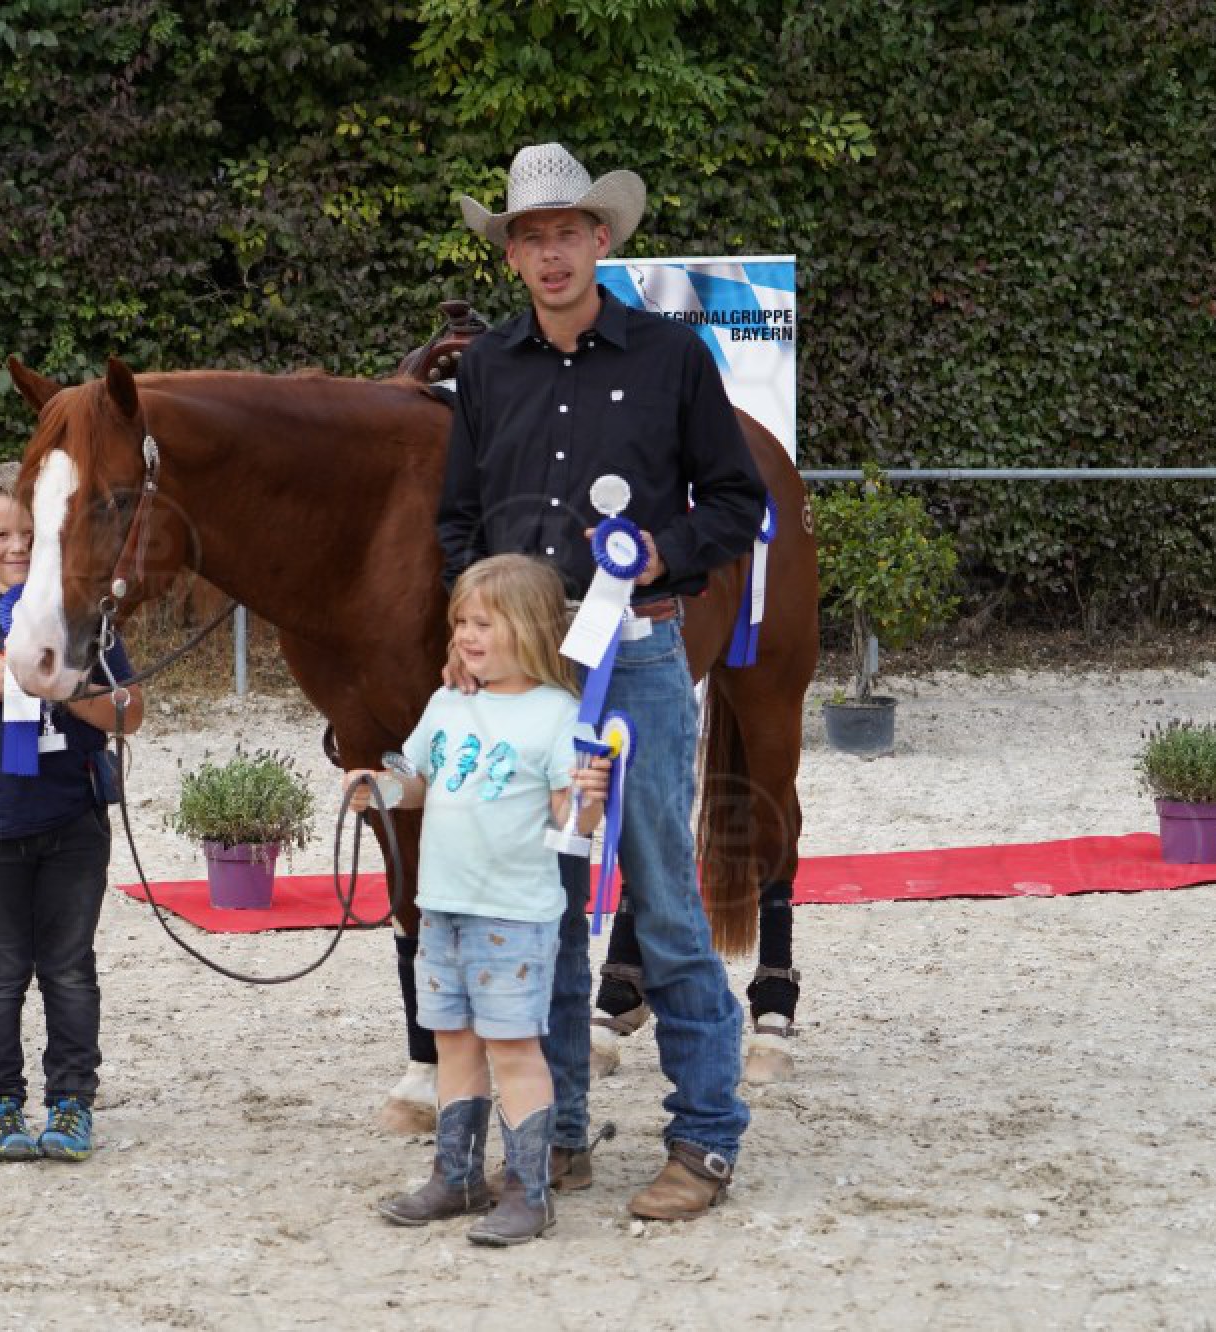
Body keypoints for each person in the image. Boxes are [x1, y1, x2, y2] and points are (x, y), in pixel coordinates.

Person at [438, 143, 767, 1221]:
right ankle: (558, 1135)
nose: (549, 254)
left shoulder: (673, 359)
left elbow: (736, 501)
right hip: (528, 674)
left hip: (639, 656)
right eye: (530, 238)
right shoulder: (486, 370)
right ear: (511, 255)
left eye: (566, 234)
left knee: (662, 893)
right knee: (542, 903)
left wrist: (661, 554)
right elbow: (457, 521)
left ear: (600, 240)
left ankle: (705, 1137)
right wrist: (467, 629)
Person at [348, 554, 611, 1246]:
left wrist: (589, 800)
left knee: (515, 1049)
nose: (466, 635)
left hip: (514, 917)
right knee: (455, 1043)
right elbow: (418, 780)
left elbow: (570, 823)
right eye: (461, 621)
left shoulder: (558, 715)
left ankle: (529, 1190)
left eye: (483, 623)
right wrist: (378, 787)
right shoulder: (447, 704)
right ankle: (457, 1176)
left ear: (530, 629)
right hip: (442, 910)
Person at [0, 461, 144, 1164]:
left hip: (72, 822)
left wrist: (67, 687)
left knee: (69, 968)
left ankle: (72, 1102)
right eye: (1, 534)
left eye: (31, 533)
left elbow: (131, 712)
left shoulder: (88, 621)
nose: (17, 546)